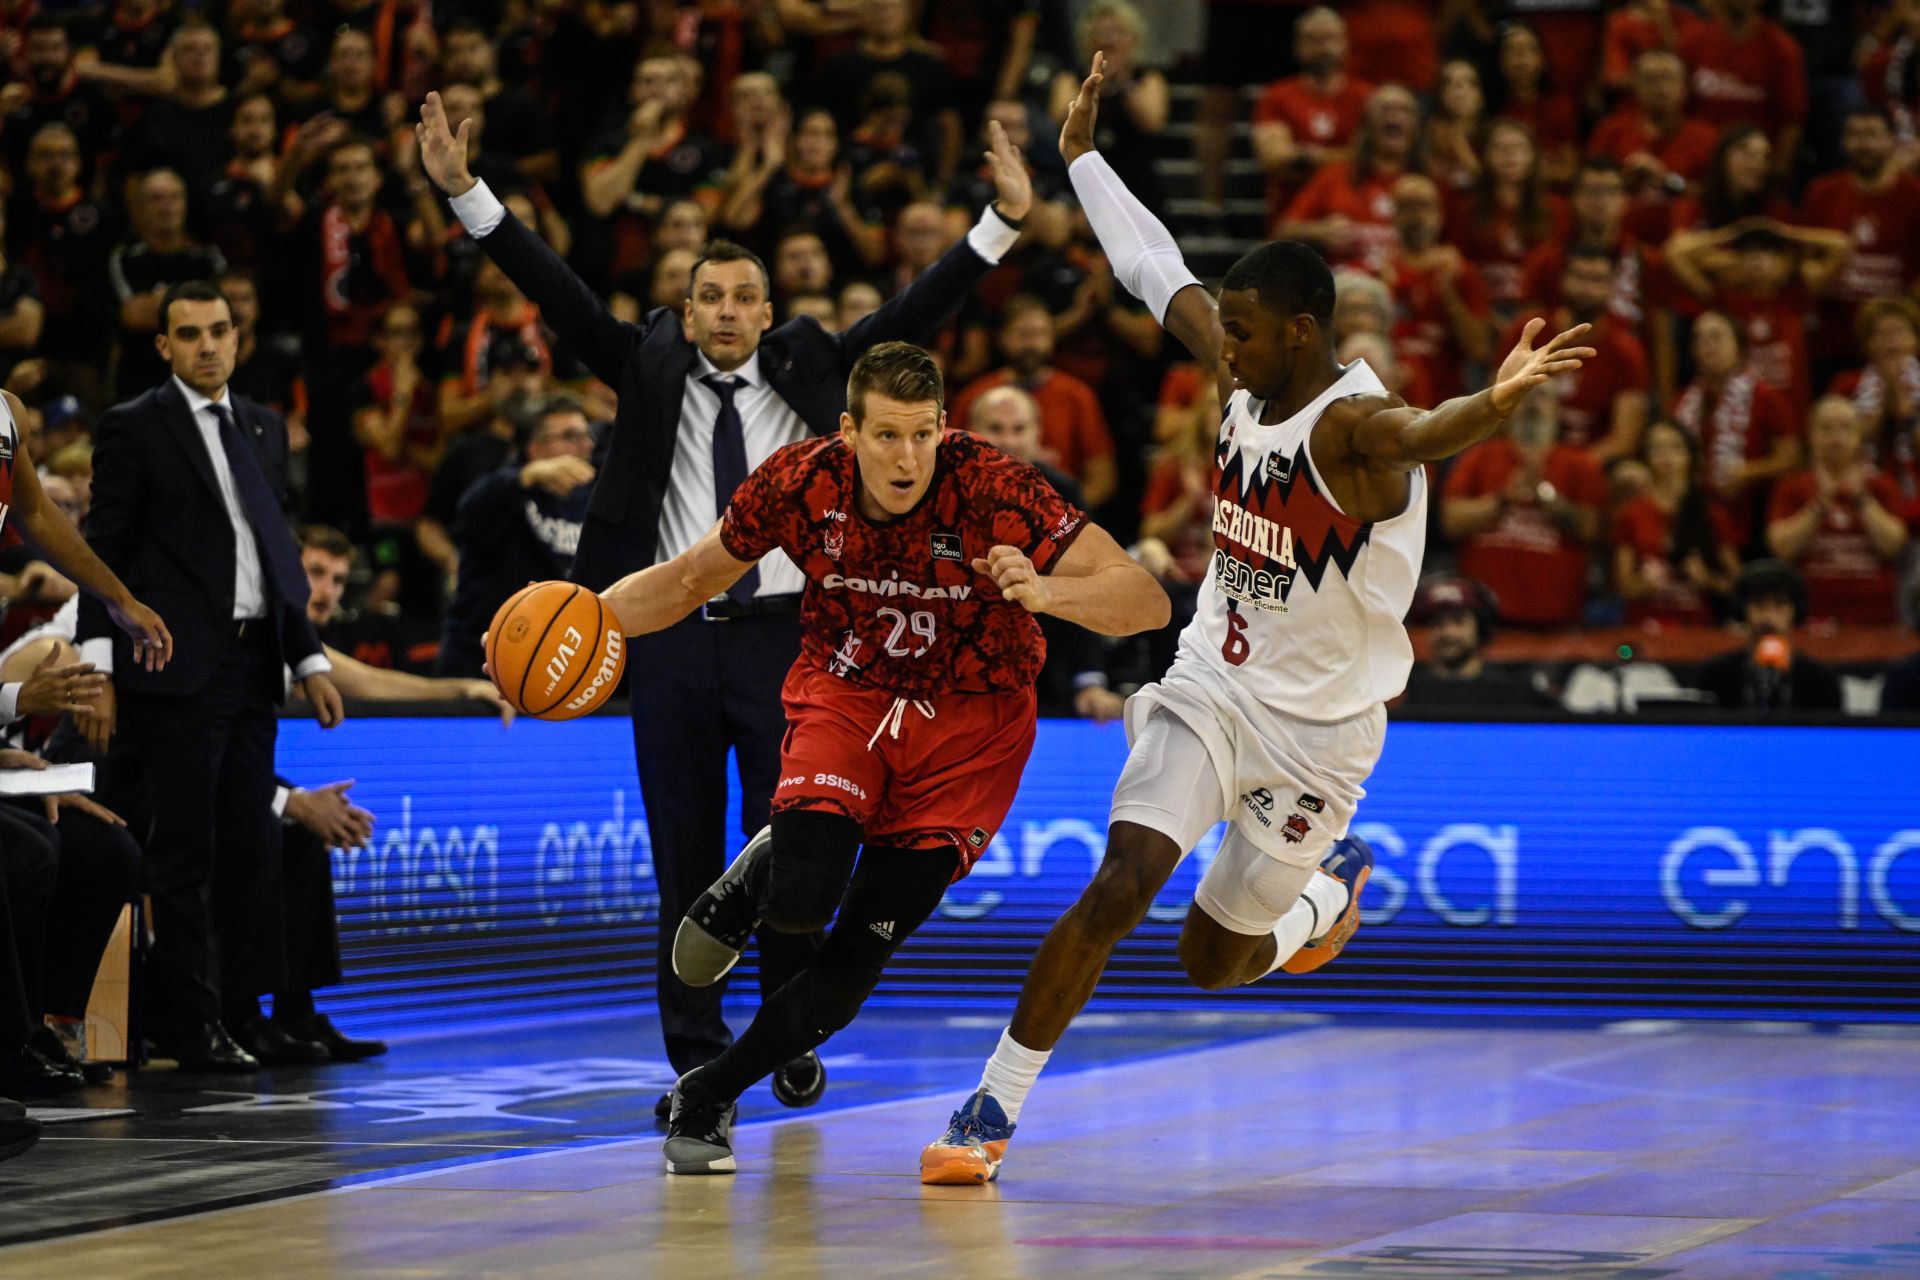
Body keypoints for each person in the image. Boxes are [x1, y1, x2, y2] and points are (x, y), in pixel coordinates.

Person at [918, 55, 1593, 1185]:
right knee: (1123, 877)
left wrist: (1499, 401)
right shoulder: (1246, 380)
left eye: (1243, 330)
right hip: (1212, 685)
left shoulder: (1354, 426)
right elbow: (1150, 268)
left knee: (1213, 959)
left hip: (1323, 732)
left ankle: (1327, 894)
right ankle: (990, 1106)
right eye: (1224, 327)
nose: (1221, 346)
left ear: (1306, 331)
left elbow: (1428, 432)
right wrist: (1083, 156)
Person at [418, 88, 1036, 1119]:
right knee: (686, 857)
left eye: (745, 296)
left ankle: (783, 1038)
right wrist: (465, 193)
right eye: (710, 296)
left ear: (764, 308)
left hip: (797, 643)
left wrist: (1001, 223)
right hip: (670, 644)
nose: (729, 313)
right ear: (689, 304)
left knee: (796, 850)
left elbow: (913, 315)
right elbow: (559, 291)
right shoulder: (648, 363)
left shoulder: (811, 365)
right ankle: (694, 1054)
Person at [591, 341, 1167, 1174]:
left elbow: (1143, 600)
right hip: (849, 688)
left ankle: (710, 1091)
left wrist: (1050, 594)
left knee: (856, 960)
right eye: (888, 436)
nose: (907, 458)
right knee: (800, 903)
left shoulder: (996, 487)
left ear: (944, 429)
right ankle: (769, 871)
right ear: (848, 431)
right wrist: (583, 618)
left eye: (923, 436)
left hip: (972, 726)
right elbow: (687, 580)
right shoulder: (801, 480)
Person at [77, 278, 344, 1071]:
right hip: (171, 668)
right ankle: (193, 1026)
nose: (206, 346)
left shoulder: (263, 426)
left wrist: (309, 659)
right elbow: (103, 551)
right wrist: (99, 669)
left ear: (239, 336)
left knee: (254, 846)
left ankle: (246, 1013)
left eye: (218, 330)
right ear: (163, 346)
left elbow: (276, 550)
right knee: (187, 851)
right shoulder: (133, 427)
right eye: (188, 334)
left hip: (253, 661)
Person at [1765, 396, 1909, 625]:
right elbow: (1781, 547)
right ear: (1811, 435)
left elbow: (1894, 545)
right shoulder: (1792, 487)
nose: (1835, 437)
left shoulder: (1882, 486)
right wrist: (1819, 506)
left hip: (1874, 621)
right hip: (1810, 618)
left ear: (1858, 437)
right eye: (1826, 428)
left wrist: (1862, 499)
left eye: (1844, 428)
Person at [1612, 421, 1743, 626]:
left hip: (1698, 630)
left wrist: (1708, 579)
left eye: (1675, 447)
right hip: (1644, 627)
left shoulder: (1712, 514)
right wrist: (1643, 584)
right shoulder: (1633, 513)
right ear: (1646, 456)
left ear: (1690, 455)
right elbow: (1622, 586)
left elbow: (1738, 583)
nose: (1666, 456)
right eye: (1657, 448)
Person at [1693, 559, 1841, 710]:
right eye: (1759, 604)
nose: (1768, 617)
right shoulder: (1715, 675)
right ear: (1743, 610)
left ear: (1796, 612)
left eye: (1779, 604)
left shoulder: (1821, 681)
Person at [1400, 575, 1543, 708]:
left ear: (1480, 627)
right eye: (1438, 623)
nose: (1448, 632)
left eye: (1458, 621)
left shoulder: (1508, 691)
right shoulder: (1404, 688)